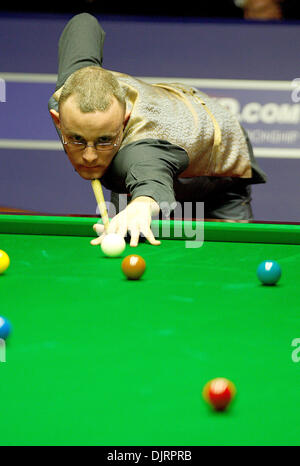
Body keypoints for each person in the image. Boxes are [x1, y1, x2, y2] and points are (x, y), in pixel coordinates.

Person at [48, 13, 266, 247]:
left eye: (104, 140)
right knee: (127, 228)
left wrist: (142, 204)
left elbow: (151, 184)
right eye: (77, 139)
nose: (89, 156)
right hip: (166, 116)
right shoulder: (68, 95)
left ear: (124, 121)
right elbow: (83, 22)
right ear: (59, 120)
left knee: (228, 251)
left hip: (218, 151)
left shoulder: (140, 153)